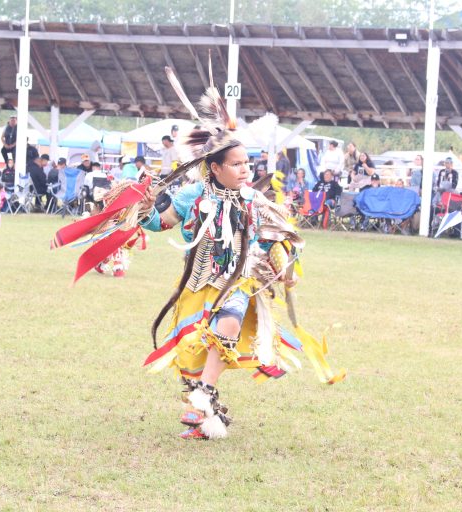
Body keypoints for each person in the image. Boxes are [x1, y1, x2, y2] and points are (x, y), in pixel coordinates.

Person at [51, 77, 344, 440]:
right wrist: (140, 211)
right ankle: (209, 416)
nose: (244, 170)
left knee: (231, 318)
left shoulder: (253, 198)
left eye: (246, 164)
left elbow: (275, 236)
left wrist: (285, 267)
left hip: (238, 277)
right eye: (236, 164)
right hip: (197, 281)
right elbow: (163, 223)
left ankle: (205, 394)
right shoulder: (194, 193)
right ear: (215, 167)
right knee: (192, 356)